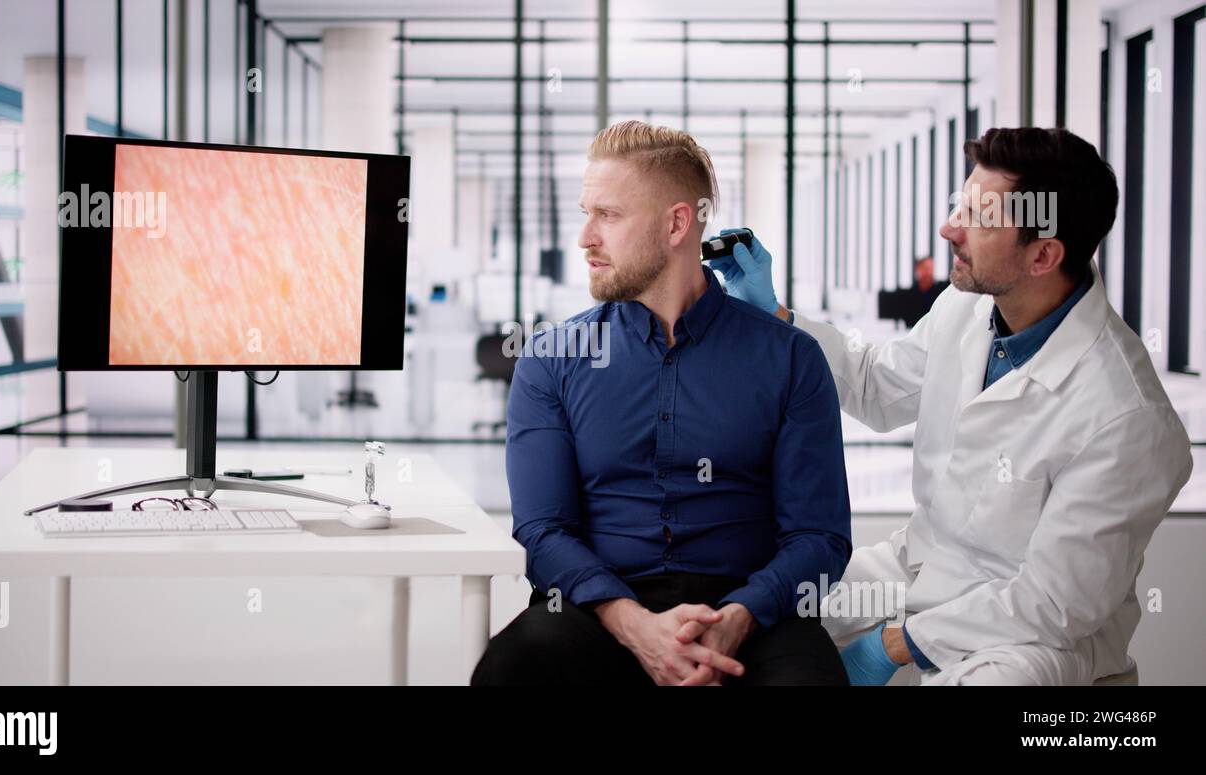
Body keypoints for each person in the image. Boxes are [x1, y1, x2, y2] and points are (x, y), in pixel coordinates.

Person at [711, 127, 1193, 685]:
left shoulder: (1128, 418)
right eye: (959, 205)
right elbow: (876, 386)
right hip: (916, 569)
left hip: (1031, 640)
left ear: (1042, 254)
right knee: (757, 609)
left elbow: (1053, 605)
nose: (948, 229)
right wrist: (777, 317)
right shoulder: (969, 309)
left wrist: (890, 646)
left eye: (978, 218)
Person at [471, 120, 852, 686]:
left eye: (609, 215)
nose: (585, 238)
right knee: (514, 668)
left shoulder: (791, 358)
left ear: (677, 223)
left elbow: (819, 537)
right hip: (598, 611)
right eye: (586, 212)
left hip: (754, 613)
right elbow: (543, 530)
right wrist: (634, 626)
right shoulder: (551, 360)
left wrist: (738, 618)